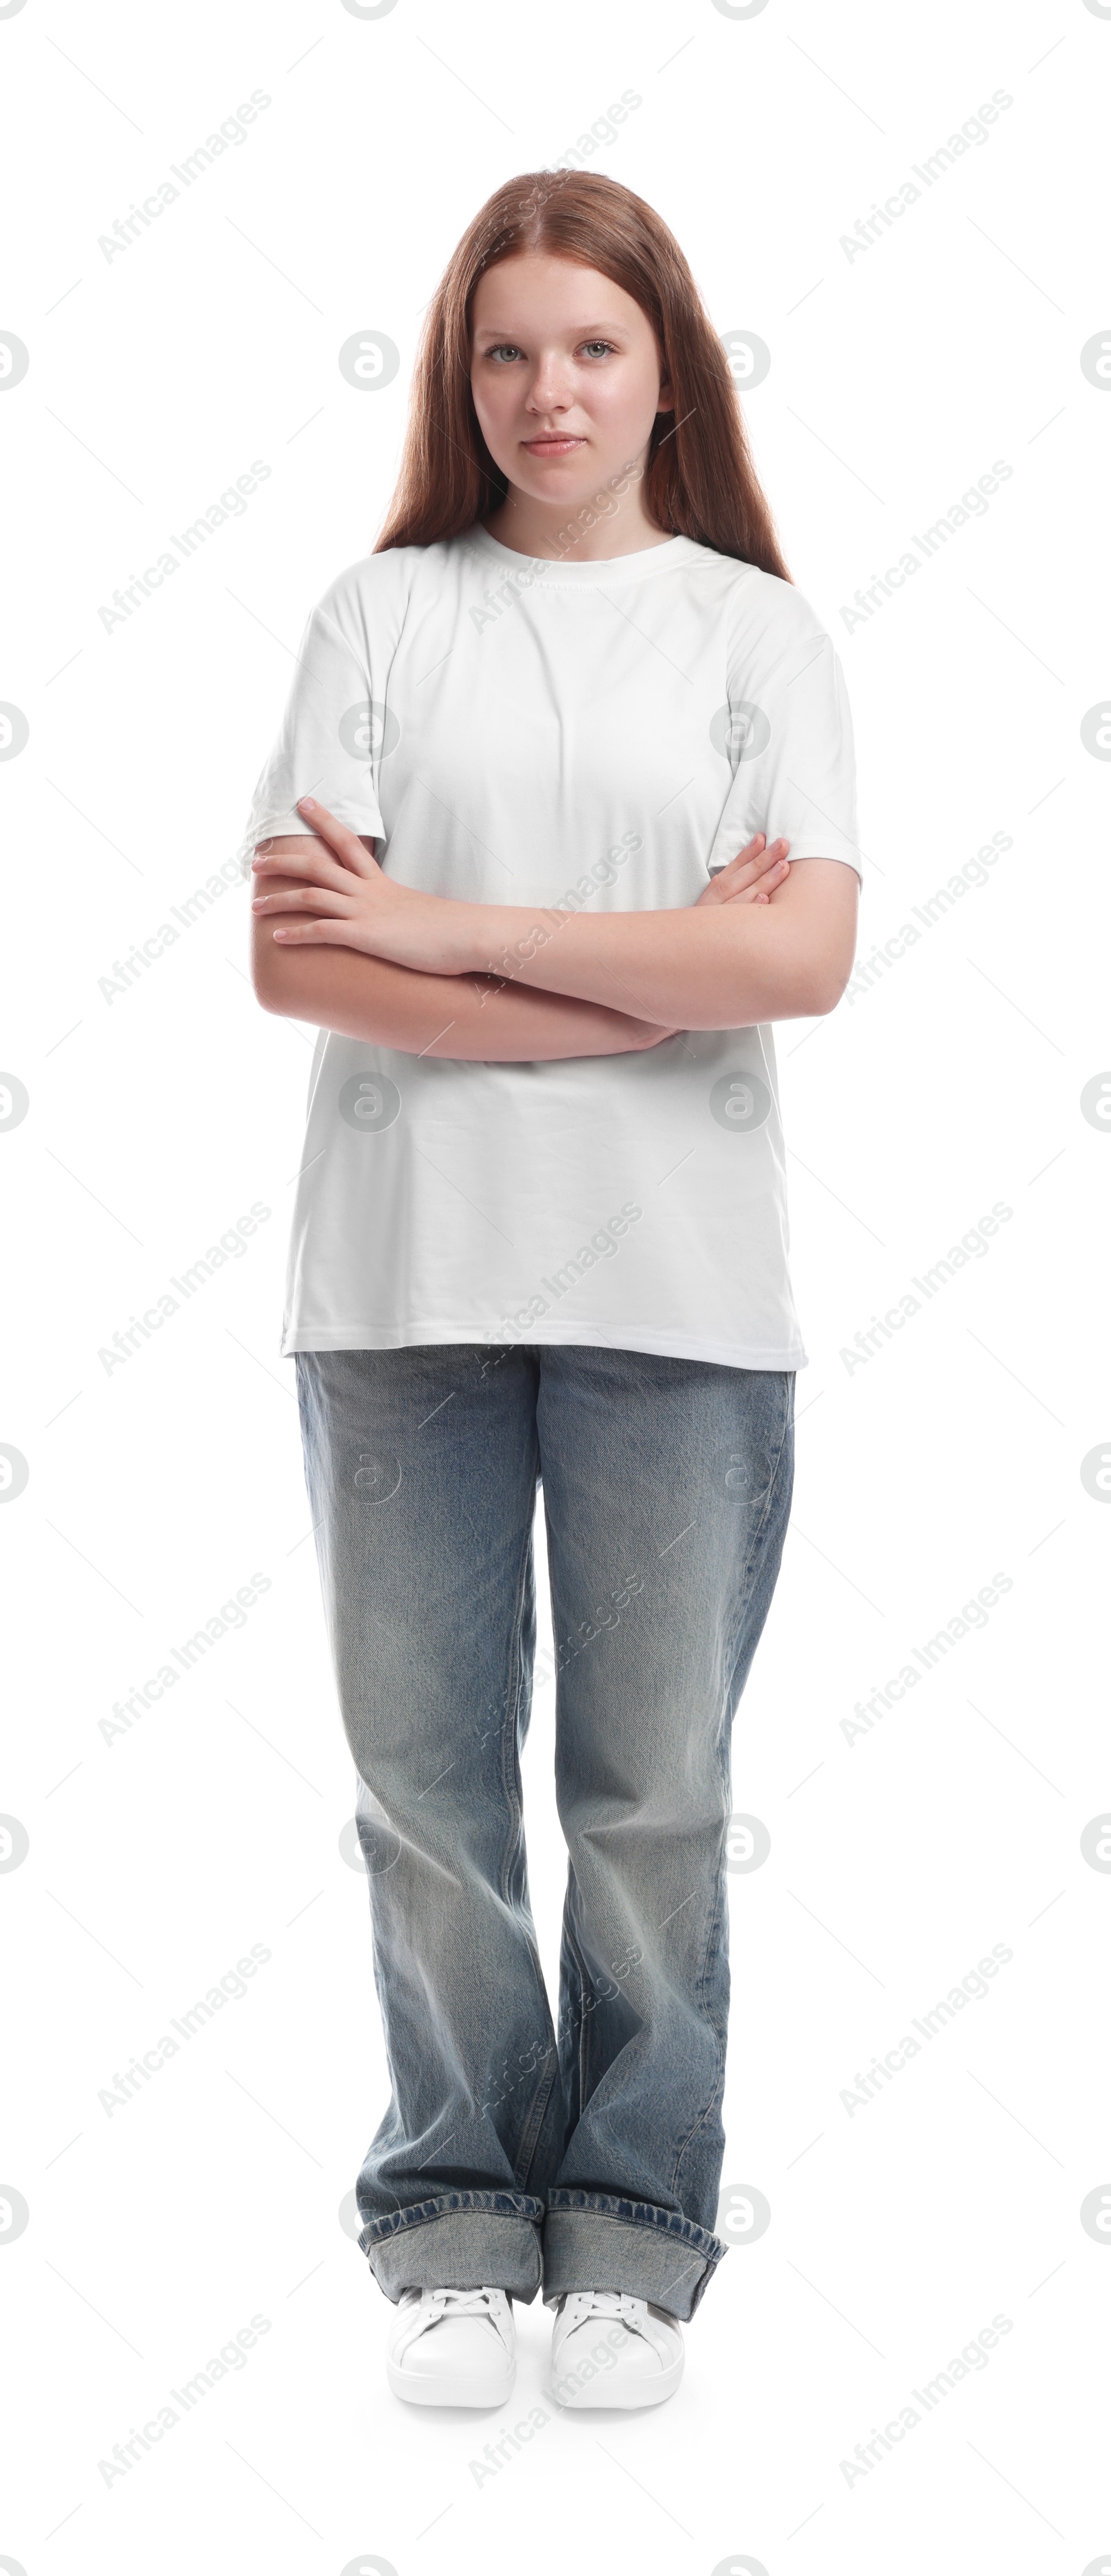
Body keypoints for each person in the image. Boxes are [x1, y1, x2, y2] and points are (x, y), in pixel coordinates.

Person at [240, 167, 860, 2413]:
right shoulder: (380, 612)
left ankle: (630, 2226)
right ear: (460, 376)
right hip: (400, 1281)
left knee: (652, 1787)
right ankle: (452, 2213)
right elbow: (292, 953)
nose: (545, 390)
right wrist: (629, 987)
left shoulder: (752, 635)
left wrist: (436, 927)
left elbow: (797, 958)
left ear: (664, 364)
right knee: (422, 1777)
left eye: (590, 346)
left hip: (680, 1290)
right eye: (504, 350)